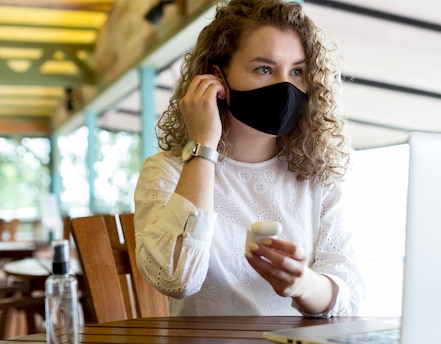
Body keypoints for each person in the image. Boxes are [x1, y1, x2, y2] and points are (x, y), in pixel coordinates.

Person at [134, 0, 364, 317]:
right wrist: (203, 147)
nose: (284, 86)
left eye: (297, 71)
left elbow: (351, 298)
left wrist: (302, 284)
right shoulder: (167, 172)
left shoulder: (317, 174)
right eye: (264, 69)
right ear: (217, 78)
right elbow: (176, 279)